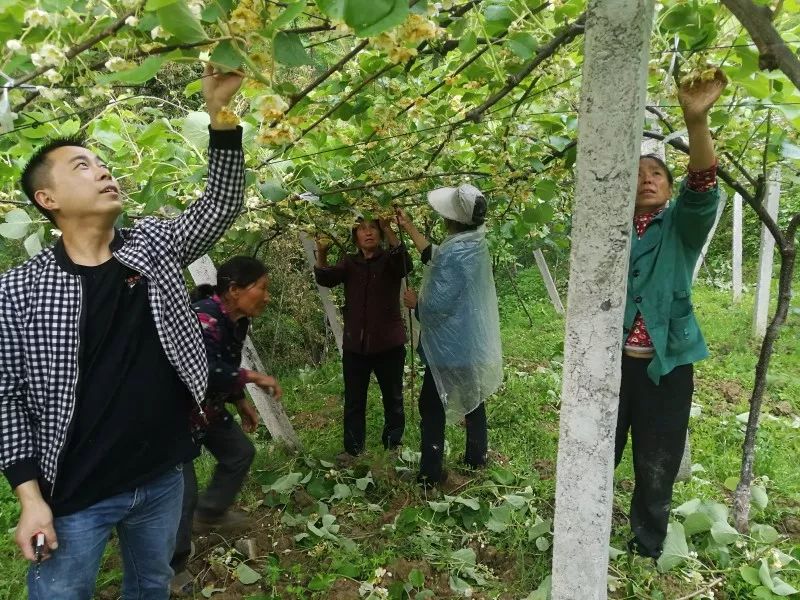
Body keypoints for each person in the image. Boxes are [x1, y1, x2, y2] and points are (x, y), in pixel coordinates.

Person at [0, 65, 244, 599]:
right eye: (83, 166)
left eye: (104, 164)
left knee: (152, 583)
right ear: (48, 200)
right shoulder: (19, 289)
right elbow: (7, 398)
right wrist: (30, 498)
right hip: (75, 493)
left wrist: (220, 115)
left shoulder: (151, 246)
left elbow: (221, 205)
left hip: (161, 475)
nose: (105, 172)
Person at [615, 69, 727, 558]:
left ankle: (647, 542)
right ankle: (588, 521)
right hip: (611, 363)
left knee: (657, 458)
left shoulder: (680, 224)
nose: (647, 181)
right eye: (637, 176)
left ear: (668, 184)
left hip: (667, 364)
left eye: (656, 174)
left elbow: (702, 185)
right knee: (599, 451)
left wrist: (696, 121)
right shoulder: (613, 228)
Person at [171, 256, 283, 591]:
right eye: (261, 288)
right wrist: (253, 377)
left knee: (239, 452)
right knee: (183, 492)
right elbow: (203, 367)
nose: (266, 296)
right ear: (234, 290)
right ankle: (172, 567)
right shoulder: (204, 316)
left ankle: (210, 514)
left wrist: (241, 402)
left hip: (208, 409)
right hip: (175, 416)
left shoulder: (237, 321)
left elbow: (226, 362)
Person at [397, 185, 503, 486]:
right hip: (470, 345)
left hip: (449, 348)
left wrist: (417, 303)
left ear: (450, 218)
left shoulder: (455, 251)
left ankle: (430, 474)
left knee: (431, 407)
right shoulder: (473, 243)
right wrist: (408, 226)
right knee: (473, 400)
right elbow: (435, 255)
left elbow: (437, 306)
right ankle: (476, 458)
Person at [314, 218, 413, 461]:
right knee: (354, 399)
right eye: (361, 229)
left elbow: (405, 265)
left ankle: (393, 446)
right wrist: (322, 253)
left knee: (393, 397)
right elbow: (325, 279)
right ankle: (353, 450)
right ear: (355, 236)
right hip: (355, 345)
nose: (368, 233)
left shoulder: (390, 260)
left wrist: (390, 228)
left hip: (388, 343)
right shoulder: (350, 262)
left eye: (373, 228)